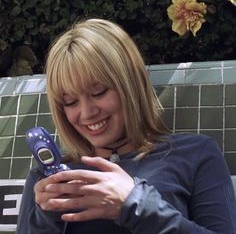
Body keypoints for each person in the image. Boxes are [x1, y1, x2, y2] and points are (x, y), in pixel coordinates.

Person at [16, 18, 236, 234]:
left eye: (99, 92)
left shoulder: (195, 153)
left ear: (130, 84)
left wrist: (135, 206)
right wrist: (47, 220)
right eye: (70, 102)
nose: (87, 112)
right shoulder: (46, 180)